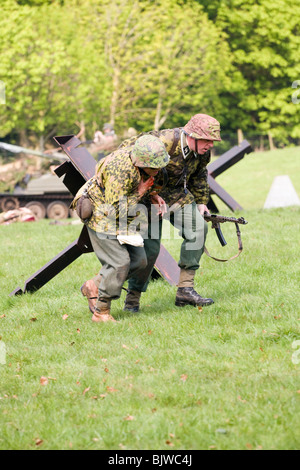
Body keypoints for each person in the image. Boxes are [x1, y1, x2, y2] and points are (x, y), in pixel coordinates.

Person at [81, 113, 222, 314]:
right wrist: (141, 188)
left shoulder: (203, 152)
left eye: (213, 141)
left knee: (198, 229)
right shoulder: (161, 141)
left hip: (176, 196)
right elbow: (127, 154)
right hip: (146, 196)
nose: (210, 145)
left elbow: (199, 174)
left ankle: (185, 290)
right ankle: (132, 299)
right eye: (207, 140)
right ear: (192, 135)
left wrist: (201, 202)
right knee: (149, 250)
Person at [70, 135, 169, 322]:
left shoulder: (144, 162)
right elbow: (115, 210)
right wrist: (140, 192)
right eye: (153, 167)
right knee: (119, 262)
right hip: (101, 212)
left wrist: (151, 195)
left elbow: (137, 192)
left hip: (122, 214)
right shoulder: (120, 169)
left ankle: (94, 285)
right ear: (141, 161)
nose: (157, 171)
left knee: (140, 261)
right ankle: (101, 312)